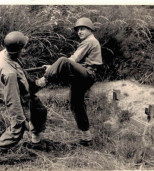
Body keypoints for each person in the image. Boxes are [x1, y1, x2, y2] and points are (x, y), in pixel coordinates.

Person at [36, 17, 103, 146]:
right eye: (78, 30)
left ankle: (43, 81)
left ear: (90, 29)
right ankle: (86, 136)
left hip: (87, 74)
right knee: (76, 104)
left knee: (63, 60)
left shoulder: (89, 41)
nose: (79, 32)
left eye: (82, 29)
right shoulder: (89, 41)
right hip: (83, 77)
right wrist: (52, 68)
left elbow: (72, 60)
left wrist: (51, 69)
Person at [0, 31, 47, 160]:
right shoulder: (10, 74)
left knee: (40, 111)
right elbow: (12, 99)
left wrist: (34, 83)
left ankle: (35, 141)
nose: (25, 51)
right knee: (17, 129)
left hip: (24, 90)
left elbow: (18, 69)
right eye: (23, 49)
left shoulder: (5, 53)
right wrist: (20, 118)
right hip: (18, 97)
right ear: (16, 51)